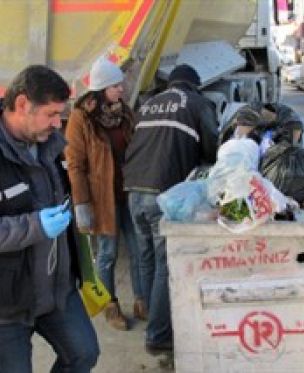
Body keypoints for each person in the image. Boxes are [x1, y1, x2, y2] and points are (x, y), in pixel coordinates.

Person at [0, 65, 99, 372]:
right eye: (51, 114)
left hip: (56, 292)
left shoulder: (49, 148)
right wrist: (35, 226)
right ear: (23, 105)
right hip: (2, 304)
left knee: (84, 354)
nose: (58, 123)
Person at [123, 64, 218, 354]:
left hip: (132, 190)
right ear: (194, 85)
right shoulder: (199, 103)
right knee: (166, 264)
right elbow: (212, 148)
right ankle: (158, 335)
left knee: (145, 257)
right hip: (162, 193)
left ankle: (154, 316)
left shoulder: (149, 103)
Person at [65, 57, 146, 331]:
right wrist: (82, 204)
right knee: (108, 254)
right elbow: (75, 163)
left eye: (120, 84)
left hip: (128, 192)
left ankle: (142, 302)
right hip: (102, 199)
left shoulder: (124, 112)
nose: (121, 89)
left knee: (138, 249)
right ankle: (110, 306)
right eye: (115, 85)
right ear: (101, 90)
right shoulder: (81, 118)